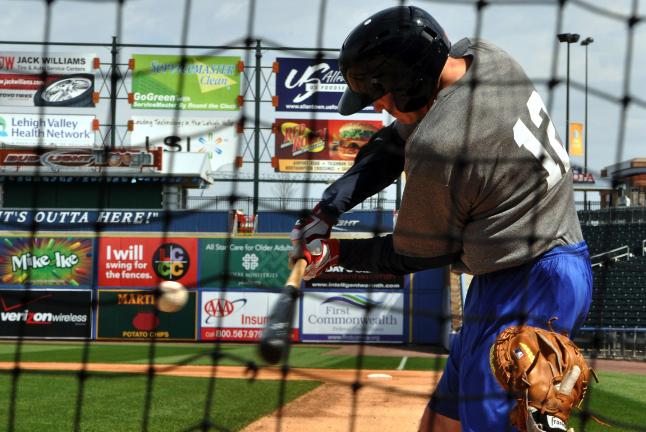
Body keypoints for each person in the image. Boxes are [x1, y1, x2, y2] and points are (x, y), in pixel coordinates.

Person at [290, 5, 592, 432]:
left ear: (408, 83)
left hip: (533, 285)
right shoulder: (486, 56)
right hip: (511, 273)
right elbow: (392, 145)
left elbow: (413, 253)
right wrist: (328, 210)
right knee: (441, 422)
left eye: (381, 98)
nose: (379, 110)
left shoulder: (442, 144)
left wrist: (335, 253)